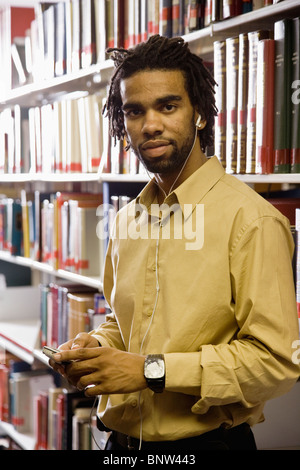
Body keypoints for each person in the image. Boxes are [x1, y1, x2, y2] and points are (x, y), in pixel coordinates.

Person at [49, 35, 300, 451]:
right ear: (122, 123)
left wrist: (150, 371)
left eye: (168, 106)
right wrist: (96, 347)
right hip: (121, 446)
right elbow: (125, 323)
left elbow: (277, 362)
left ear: (199, 113)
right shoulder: (127, 218)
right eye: (135, 111)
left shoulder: (251, 220)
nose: (150, 125)